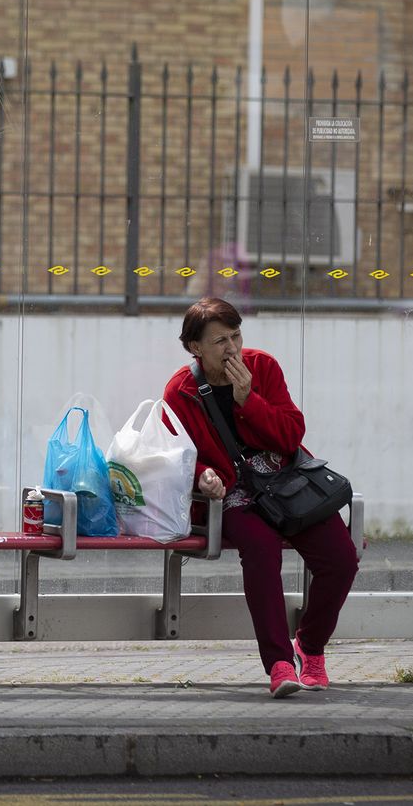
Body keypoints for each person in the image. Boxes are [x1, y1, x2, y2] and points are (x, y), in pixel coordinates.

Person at [162, 297, 359, 698]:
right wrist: (206, 477)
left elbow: (291, 436)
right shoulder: (180, 391)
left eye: (236, 336)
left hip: (286, 485)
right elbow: (175, 457)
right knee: (261, 549)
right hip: (235, 496)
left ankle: (311, 646)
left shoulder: (263, 367)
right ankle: (280, 663)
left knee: (340, 558)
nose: (232, 348)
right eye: (219, 341)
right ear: (194, 347)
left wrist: (248, 399)